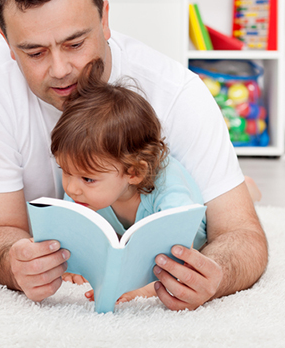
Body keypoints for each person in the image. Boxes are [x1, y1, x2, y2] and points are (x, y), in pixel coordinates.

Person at [0, 0, 268, 311]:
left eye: (74, 43)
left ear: (104, 18)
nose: (60, 69)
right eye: (34, 52)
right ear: (5, 40)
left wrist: (214, 272)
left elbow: (242, 234)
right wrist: (11, 261)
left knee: (224, 204)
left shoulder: (175, 93)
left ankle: (239, 186)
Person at [50, 58, 206, 304]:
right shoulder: (80, 189)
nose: (71, 188)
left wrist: (142, 289)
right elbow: (70, 231)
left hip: (192, 226)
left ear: (134, 173)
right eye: (65, 171)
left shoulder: (168, 188)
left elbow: (179, 247)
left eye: (88, 178)